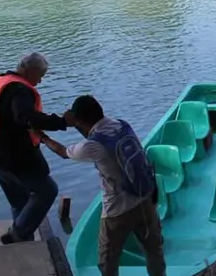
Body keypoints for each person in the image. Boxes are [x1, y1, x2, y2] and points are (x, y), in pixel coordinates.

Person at [41, 95, 166, 276]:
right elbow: (91, 132)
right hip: (144, 198)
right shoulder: (121, 125)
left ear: (79, 119)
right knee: (154, 251)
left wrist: (43, 137)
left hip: (117, 210)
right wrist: (77, 122)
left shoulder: (91, 146)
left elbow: (62, 152)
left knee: (107, 261)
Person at [0, 53, 72, 244]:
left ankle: (21, 238)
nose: (39, 81)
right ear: (28, 71)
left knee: (19, 198)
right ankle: (19, 234)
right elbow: (27, 118)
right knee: (47, 190)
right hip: (12, 154)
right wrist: (62, 121)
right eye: (40, 75)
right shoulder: (19, 90)